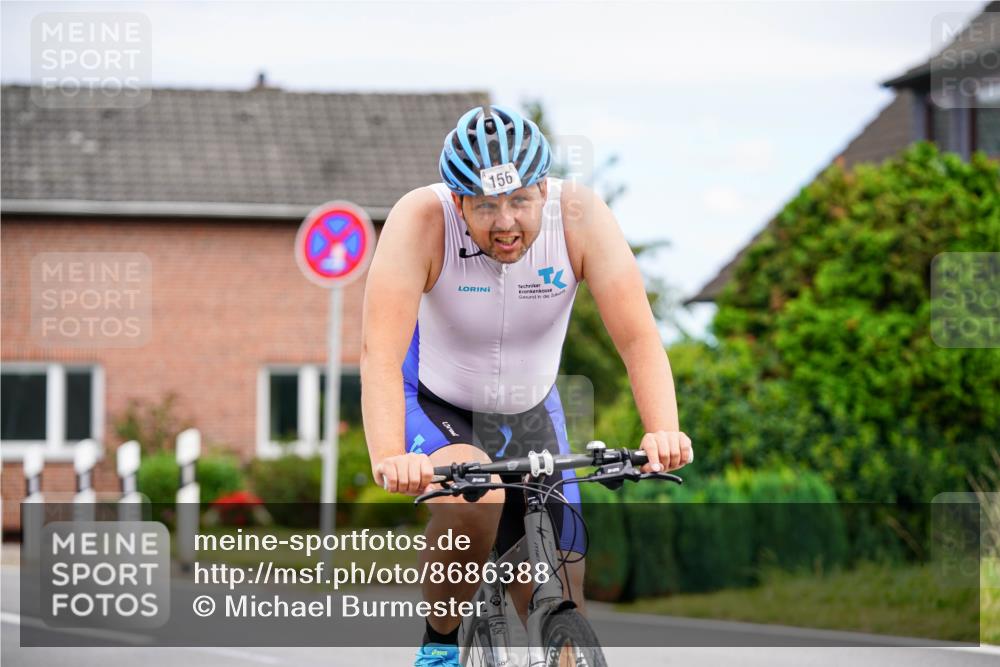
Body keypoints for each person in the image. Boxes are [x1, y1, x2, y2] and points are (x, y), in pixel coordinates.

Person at [360, 105, 692, 666]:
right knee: (478, 499)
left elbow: (638, 340)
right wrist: (390, 454)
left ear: (544, 190)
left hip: (531, 407)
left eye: (519, 201)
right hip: (436, 400)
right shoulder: (420, 219)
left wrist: (663, 431)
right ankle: (438, 647)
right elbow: (379, 354)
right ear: (458, 200)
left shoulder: (582, 219)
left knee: (561, 593)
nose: (505, 222)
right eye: (485, 205)